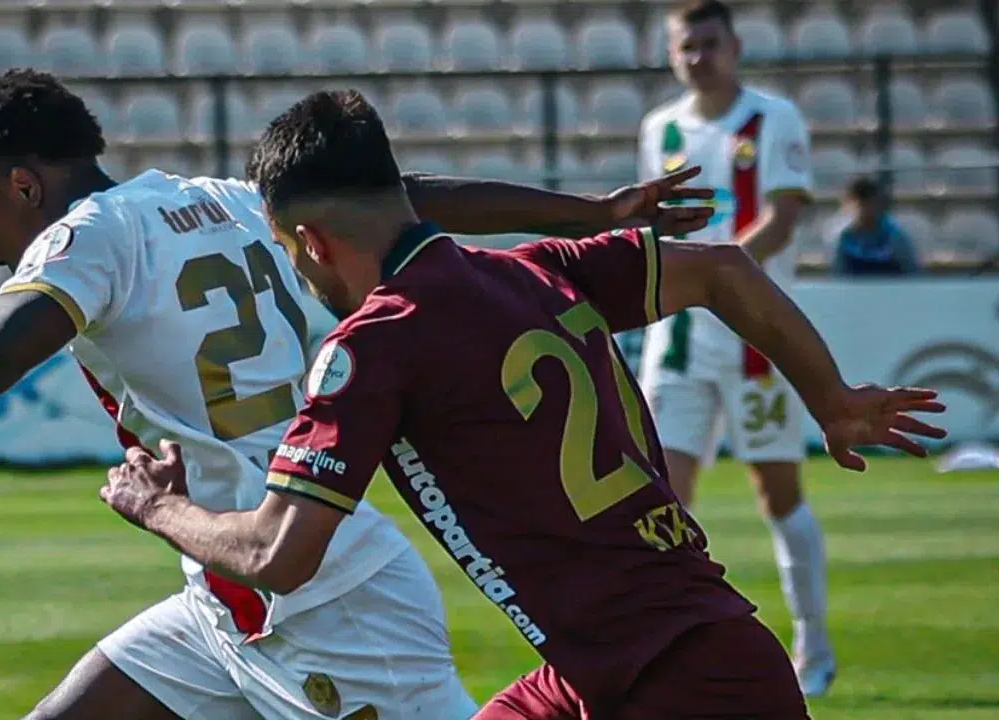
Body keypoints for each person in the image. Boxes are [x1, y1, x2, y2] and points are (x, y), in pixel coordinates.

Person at [0, 70, 715, 720]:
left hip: (321, 593)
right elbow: (405, 195)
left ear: (25, 185)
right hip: (223, 587)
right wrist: (589, 209)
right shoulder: (218, 197)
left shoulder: (85, 238)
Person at [94, 90, 947, 719]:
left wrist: (158, 506)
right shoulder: (538, 270)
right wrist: (831, 399)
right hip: (623, 668)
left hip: (677, 680)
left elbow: (277, 553)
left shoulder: (374, 344)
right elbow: (723, 270)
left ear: (311, 241)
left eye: (289, 253)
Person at [636, 0, 837, 695]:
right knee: (662, 499)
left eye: (709, 43)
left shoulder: (773, 119)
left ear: (735, 46)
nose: (698, 57)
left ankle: (813, 646)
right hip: (679, 339)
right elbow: (654, 228)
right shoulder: (660, 129)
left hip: (757, 342)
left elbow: (782, 218)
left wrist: (718, 279)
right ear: (672, 54)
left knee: (777, 493)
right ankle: (672, 654)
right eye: (686, 46)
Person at [832, 176, 919, 275]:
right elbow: (838, 275)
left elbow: (912, 273)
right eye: (860, 202)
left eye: (870, 202)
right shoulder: (842, 237)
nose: (865, 208)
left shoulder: (896, 235)